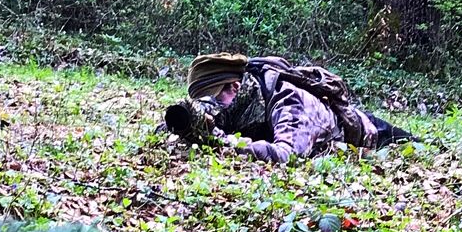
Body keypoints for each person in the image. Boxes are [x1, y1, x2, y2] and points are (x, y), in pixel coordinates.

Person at [166, 52, 410, 163]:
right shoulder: (243, 104)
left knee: (417, 147)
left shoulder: (288, 99)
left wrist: (221, 140)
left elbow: (287, 155)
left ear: (235, 87)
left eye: (214, 100)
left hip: (376, 136)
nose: (214, 109)